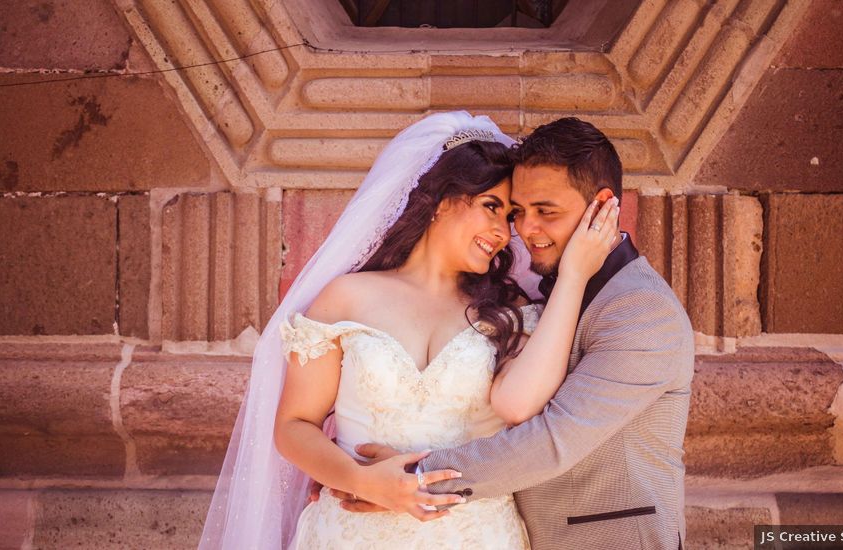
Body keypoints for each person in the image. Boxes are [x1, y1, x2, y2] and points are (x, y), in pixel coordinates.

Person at [198, 111, 619, 549]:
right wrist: (363, 481)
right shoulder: (347, 298)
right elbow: (293, 425)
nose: (502, 232)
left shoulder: (510, 313)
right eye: (492, 207)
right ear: (440, 201)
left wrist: (573, 276)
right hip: (351, 534)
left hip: (476, 537)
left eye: (508, 217)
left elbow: (519, 405)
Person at [342, 118, 695, 550]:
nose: (526, 231)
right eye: (519, 213)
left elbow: (553, 441)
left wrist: (412, 481)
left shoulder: (641, 311)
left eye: (546, 212)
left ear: (603, 206)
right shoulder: (538, 293)